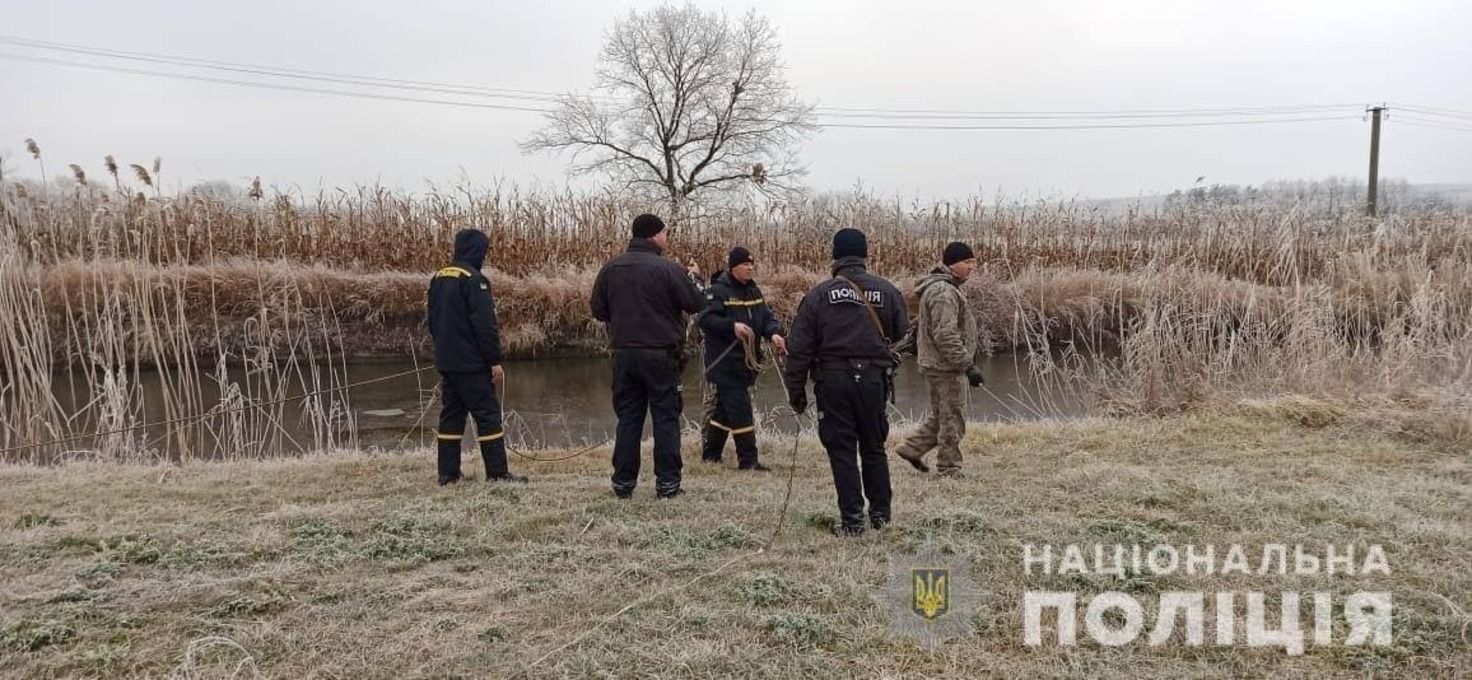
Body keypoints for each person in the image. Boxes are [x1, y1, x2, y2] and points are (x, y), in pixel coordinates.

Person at [782, 228, 908, 536]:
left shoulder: (818, 295)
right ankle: (881, 516)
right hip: (874, 381)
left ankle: (852, 521)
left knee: (842, 449)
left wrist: (795, 391)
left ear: (834, 256)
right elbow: (902, 331)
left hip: (834, 380)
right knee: (873, 447)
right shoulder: (887, 290)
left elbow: (799, 349)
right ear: (865, 255)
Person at [590, 213, 705, 499]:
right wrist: (696, 279)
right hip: (662, 355)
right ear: (654, 235)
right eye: (665, 233)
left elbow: (598, 310)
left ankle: (623, 483)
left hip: (623, 355)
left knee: (628, 418)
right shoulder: (669, 269)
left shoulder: (611, 268)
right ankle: (667, 485)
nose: (667, 238)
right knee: (665, 418)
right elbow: (695, 303)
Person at [427, 228, 527, 486]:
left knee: (451, 416)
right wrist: (494, 361)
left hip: (447, 361)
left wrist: (444, 351)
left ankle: (447, 474)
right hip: (472, 365)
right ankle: (497, 473)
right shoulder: (475, 280)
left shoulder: (439, 277)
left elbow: (433, 321)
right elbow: (485, 327)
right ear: (477, 250)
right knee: (487, 416)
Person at [893, 242, 984, 478]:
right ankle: (949, 469)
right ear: (952, 264)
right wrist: (967, 365)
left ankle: (912, 448)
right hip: (945, 366)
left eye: (973, 262)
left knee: (944, 413)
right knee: (953, 417)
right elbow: (945, 334)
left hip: (938, 364)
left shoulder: (945, 288)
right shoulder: (943, 292)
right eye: (967, 262)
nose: (972, 267)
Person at [697, 247, 787, 470]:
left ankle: (711, 455)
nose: (750, 268)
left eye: (751, 264)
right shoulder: (718, 291)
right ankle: (749, 461)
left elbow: (766, 318)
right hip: (725, 362)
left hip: (746, 363)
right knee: (740, 410)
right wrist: (732, 326)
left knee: (725, 410)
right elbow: (706, 320)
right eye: (745, 264)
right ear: (733, 267)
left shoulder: (754, 291)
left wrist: (774, 333)